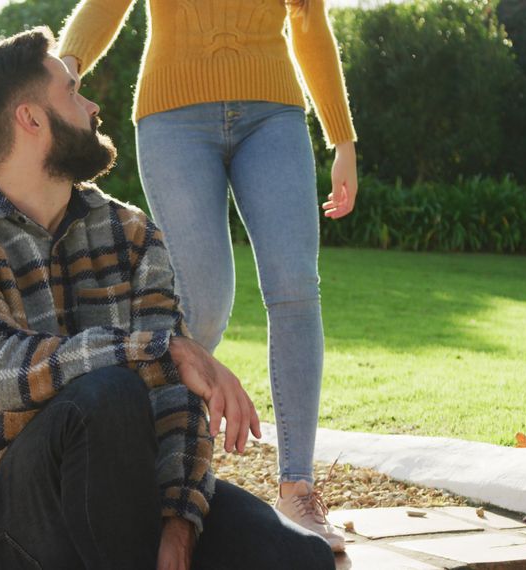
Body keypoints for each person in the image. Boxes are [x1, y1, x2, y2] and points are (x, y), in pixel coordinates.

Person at [0, 27, 337, 570]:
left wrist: (179, 524)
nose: (92, 105)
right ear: (31, 119)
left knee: (300, 559)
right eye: (71, 91)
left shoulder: (130, 233)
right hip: (14, 524)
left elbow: (176, 400)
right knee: (106, 394)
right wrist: (161, 349)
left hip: (138, 495)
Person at [57, 0, 359, 551]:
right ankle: (163, 474)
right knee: (204, 300)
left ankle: (298, 488)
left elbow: (309, 18)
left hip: (274, 112)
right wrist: (67, 65)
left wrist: (341, 138)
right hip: (173, 113)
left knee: (295, 289)